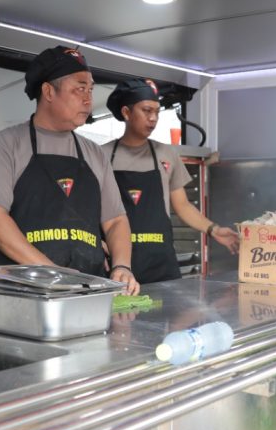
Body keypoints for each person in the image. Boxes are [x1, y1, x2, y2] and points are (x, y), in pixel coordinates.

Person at [0, 46, 139, 294]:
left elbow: (115, 220)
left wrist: (122, 266)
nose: (88, 99)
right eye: (79, 89)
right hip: (26, 295)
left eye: (90, 89)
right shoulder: (5, 145)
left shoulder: (94, 154)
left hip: (88, 293)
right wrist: (53, 275)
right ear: (48, 91)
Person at [101, 79, 239, 284]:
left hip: (161, 262)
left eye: (157, 112)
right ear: (126, 112)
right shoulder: (102, 156)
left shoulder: (166, 154)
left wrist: (214, 230)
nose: (153, 118)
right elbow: (89, 209)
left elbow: (182, 205)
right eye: (146, 110)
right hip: (119, 265)